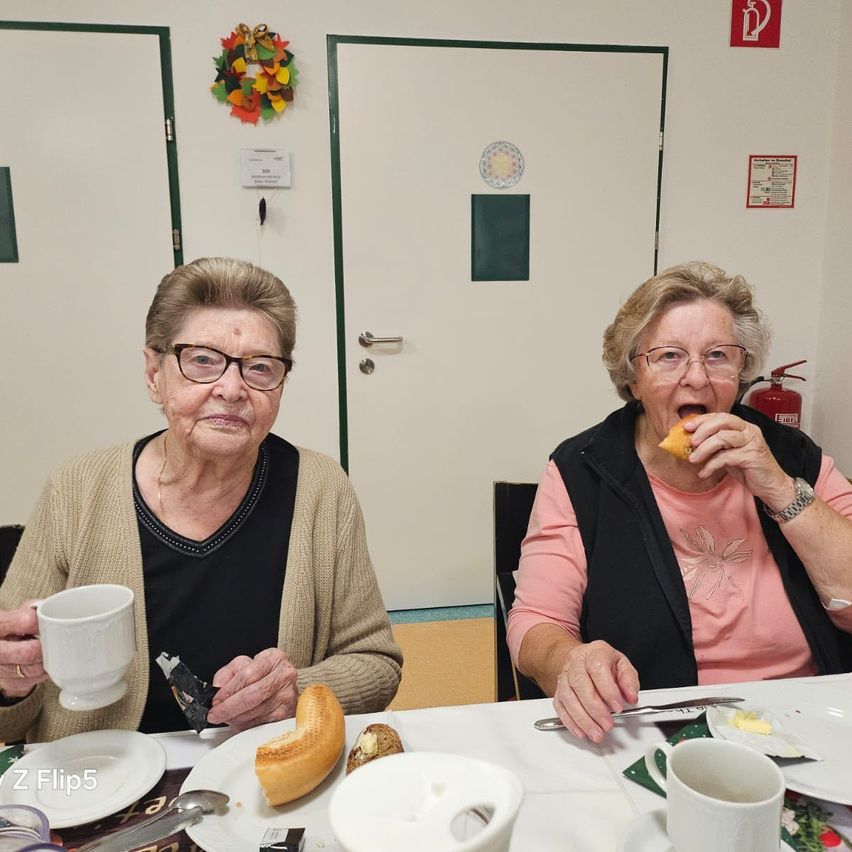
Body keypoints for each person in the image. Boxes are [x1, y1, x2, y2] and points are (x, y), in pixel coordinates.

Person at [0, 257, 402, 742]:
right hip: (98, 773)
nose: (232, 389)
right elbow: (10, 716)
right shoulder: (77, 488)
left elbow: (376, 662)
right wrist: (10, 682)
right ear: (154, 373)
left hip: (258, 768)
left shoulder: (320, 489)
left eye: (260, 367)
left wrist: (295, 692)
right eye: (203, 361)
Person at [508, 261, 852, 743]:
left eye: (718, 356)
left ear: (741, 371)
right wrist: (570, 659)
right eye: (669, 356)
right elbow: (537, 621)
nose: (697, 377)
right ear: (633, 378)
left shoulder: (790, 455)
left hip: (807, 718)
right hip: (656, 726)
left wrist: (778, 488)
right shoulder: (583, 470)